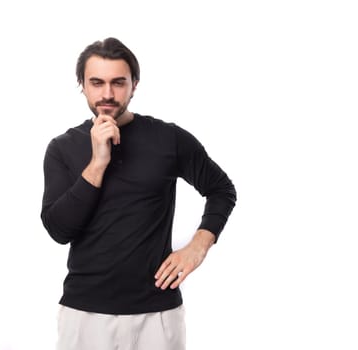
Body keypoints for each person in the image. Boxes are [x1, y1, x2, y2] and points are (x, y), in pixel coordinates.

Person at [40, 37, 237, 350]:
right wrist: (97, 163)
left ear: (134, 85)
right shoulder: (62, 148)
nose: (107, 94)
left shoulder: (169, 139)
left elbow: (221, 189)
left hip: (157, 313)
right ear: (82, 85)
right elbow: (59, 230)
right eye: (97, 82)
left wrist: (198, 245)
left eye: (118, 82)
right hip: (84, 313)